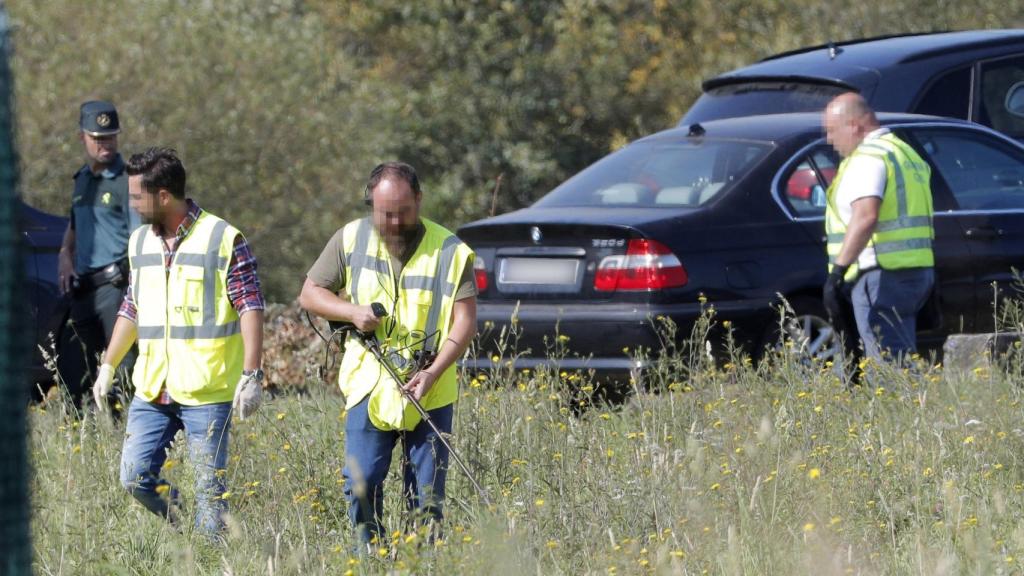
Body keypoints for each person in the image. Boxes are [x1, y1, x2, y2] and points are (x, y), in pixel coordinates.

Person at [299, 162, 477, 548]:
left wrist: (433, 372)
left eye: (403, 212)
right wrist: (352, 312)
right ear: (371, 206)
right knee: (360, 484)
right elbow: (310, 294)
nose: (394, 222)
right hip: (369, 384)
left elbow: (465, 323)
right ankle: (372, 557)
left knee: (426, 501)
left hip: (430, 387)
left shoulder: (451, 250)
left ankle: (420, 564)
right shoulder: (349, 239)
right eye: (385, 214)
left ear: (419, 200)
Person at [92, 147, 265, 537]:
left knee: (210, 495)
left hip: (207, 390)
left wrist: (252, 374)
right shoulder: (139, 242)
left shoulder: (223, 238)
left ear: (164, 196)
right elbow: (132, 307)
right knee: (134, 477)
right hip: (153, 388)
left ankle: (207, 555)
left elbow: (251, 306)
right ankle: (185, 525)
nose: (132, 203)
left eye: (138, 195)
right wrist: (107, 365)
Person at [822, 92, 935, 363]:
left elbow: (865, 216)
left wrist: (838, 271)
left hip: (880, 276)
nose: (829, 140)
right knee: (899, 356)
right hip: (914, 271)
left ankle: (904, 406)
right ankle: (914, 404)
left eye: (832, 130)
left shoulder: (868, 158)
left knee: (887, 365)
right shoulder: (903, 151)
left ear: (854, 125)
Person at [57, 100, 141, 407]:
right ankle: (88, 437)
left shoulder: (128, 180)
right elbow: (75, 224)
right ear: (82, 137)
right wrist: (64, 253)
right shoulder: (81, 179)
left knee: (122, 371)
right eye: (98, 138)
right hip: (83, 289)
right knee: (78, 372)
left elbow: (139, 239)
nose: (105, 144)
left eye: (110, 136)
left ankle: (127, 437)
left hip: (116, 286)